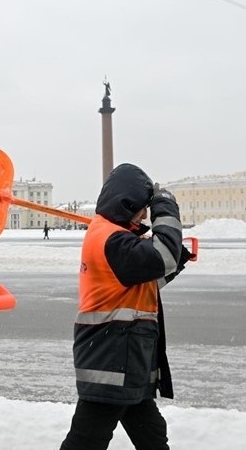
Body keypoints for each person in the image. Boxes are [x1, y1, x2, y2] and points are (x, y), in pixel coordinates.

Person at [60, 164, 192, 450]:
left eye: (148, 209)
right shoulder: (110, 238)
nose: (144, 215)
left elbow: (143, 284)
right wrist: (165, 207)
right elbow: (161, 257)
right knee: (86, 442)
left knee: (152, 435)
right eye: (143, 208)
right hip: (112, 358)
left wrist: (173, 263)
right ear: (127, 202)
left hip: (124, 358)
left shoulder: (113, 236)